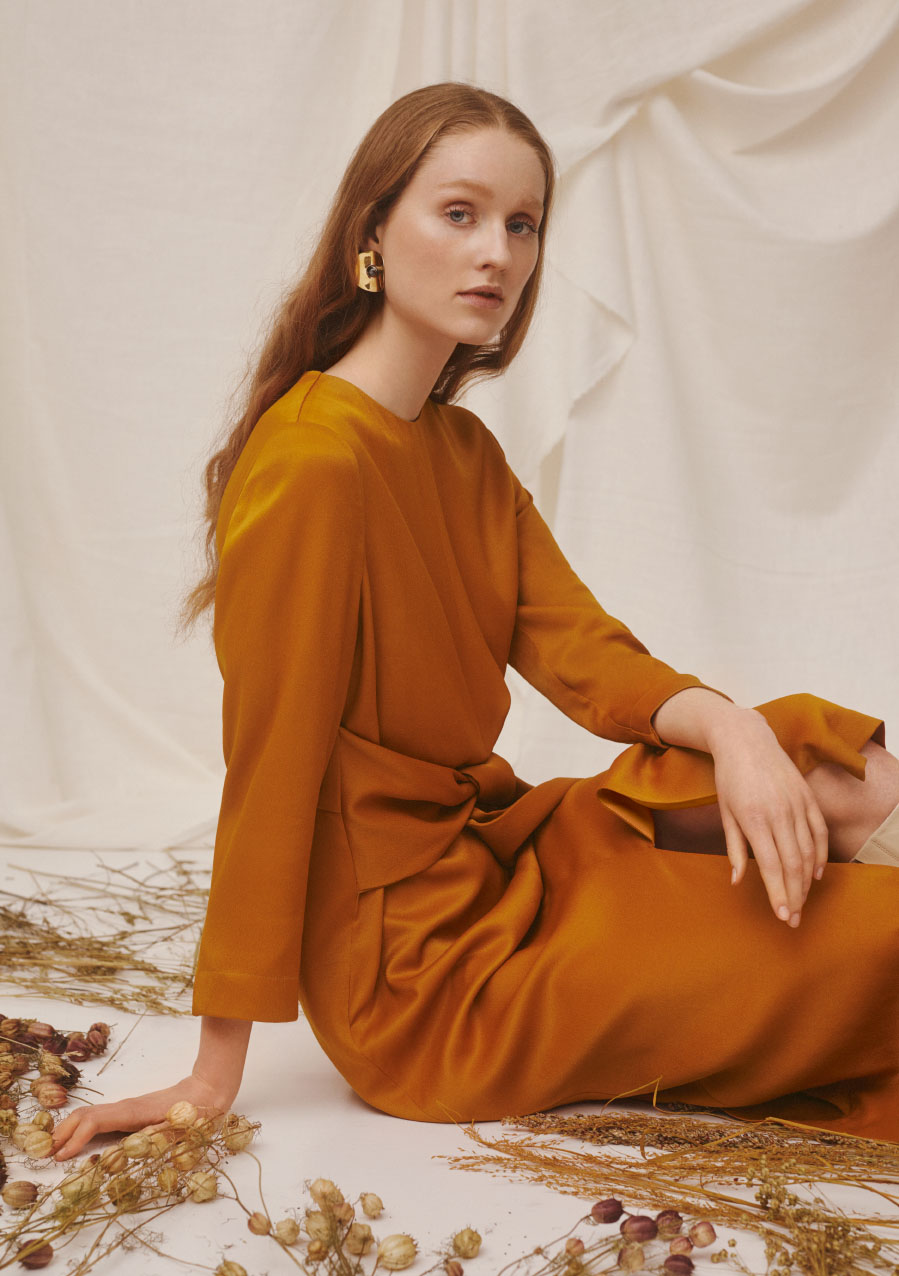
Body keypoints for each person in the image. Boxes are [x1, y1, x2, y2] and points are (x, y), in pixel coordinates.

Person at [52, 82, 899, 1162]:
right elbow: (270, 760)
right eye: (458, 214)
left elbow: (583, 654)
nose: (496, 253)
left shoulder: (463, 452)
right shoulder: (312, 461)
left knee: (819, 756)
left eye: (521, 223)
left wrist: (734, 730)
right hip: (419, 981)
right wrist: (212, 1071)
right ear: (370, 234)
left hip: (503, 860)